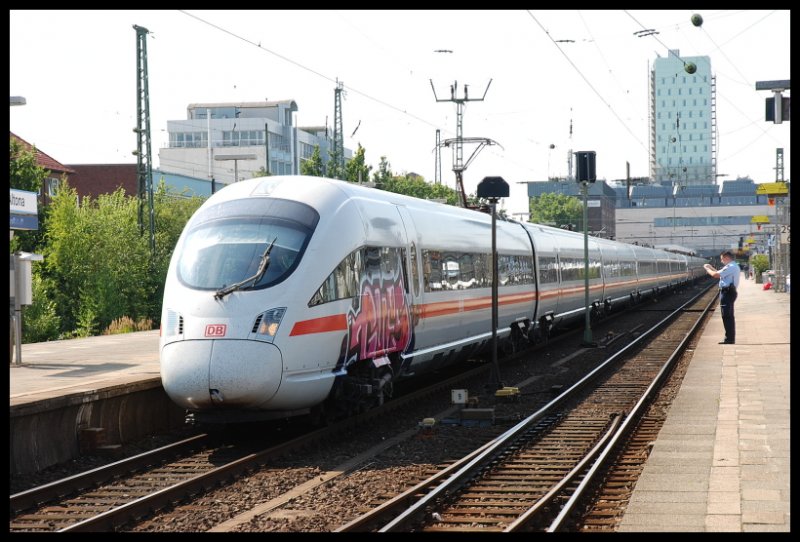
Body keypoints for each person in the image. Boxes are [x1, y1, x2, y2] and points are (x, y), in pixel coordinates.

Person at [703, 250, 741, 344]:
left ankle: (729, 339)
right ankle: (729, 338)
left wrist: (707, 269)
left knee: (727, 316)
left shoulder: (731, 266)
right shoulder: (731, 266)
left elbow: (715, 275)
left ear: (726, 258)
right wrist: (711, 267)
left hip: (727, 293)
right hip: (728, 292)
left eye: (722, 259)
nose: (721, 261)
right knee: (728, 316)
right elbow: (719, 273)